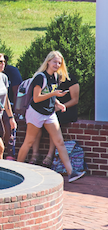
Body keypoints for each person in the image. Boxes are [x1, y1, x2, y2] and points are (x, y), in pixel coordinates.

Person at [17, 51, 85, 182]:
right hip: (36, 112)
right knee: (29, 142)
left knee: (59, 142)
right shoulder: (40, 77)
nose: (57, 64)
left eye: (59, 63)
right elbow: (36, 98)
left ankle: (71, 172)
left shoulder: (55, 76)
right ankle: (17, 169)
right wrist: (54, 94)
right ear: (48, 61)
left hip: (49, 113)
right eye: (55, 62)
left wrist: (59, 104)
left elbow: (50, 94)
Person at [32, 69, 80, 167]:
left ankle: (50, 155)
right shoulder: (46, 78)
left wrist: (60, 107)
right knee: (37, 122)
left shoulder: (70, 78)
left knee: (55, 123)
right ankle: (35, 154)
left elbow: (75, 100)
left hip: (66, 109)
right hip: (50, 107)